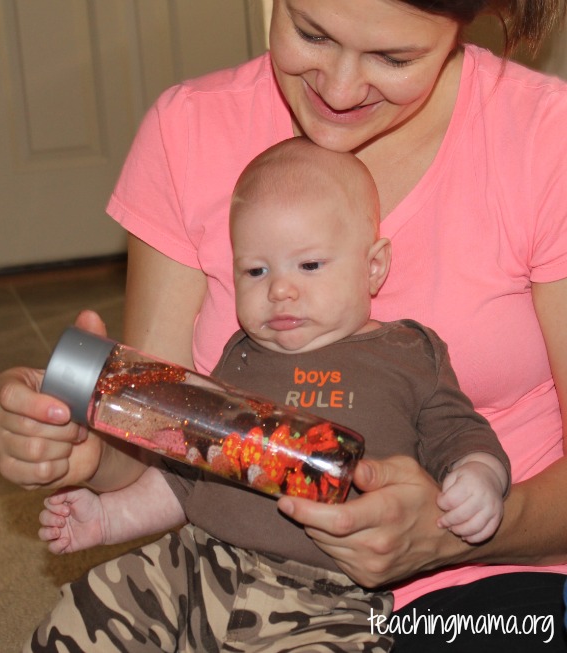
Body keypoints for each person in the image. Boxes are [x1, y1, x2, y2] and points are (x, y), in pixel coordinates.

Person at [0, 0, 567, 651]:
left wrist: (459, 524)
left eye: (393, 58)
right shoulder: (190, 130)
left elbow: (469, 447)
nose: (340, 90)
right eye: (311, 32)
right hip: (222, 559)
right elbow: (171, 440)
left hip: (482, 579)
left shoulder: (546, 139)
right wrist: (88, 448)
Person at [35, 139, 509, 652]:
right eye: (256, 271)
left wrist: (480, 477)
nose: (279, 290)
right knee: (89, 612)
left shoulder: (408, 354)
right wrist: (111, 518)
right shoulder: (241, 355)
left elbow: (461, 434)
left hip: (328, 599)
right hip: (195, 563)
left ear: (373, 267)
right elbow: (187, 473)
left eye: (308, 266)